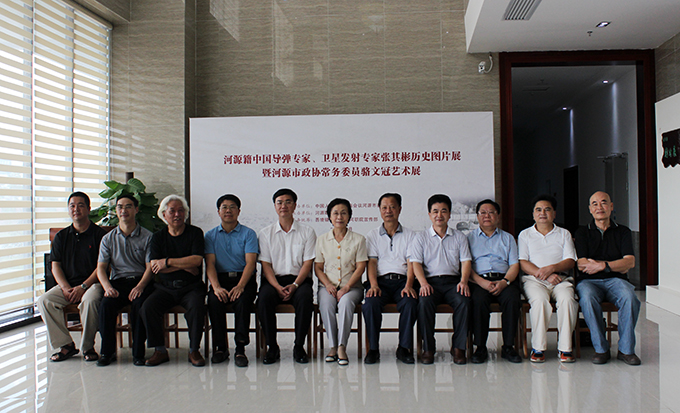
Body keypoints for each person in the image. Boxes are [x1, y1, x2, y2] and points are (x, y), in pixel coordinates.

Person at [37, 192, 106, 362]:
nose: (76, 209)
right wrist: (65, 287)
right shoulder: (61, 236)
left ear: (88, 209)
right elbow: (55, 265)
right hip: (68, 285)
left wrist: (83, 287)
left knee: (89, 301)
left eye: (80, 205)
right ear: (68, 210)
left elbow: (102, 266)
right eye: (72, 206)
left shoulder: (99, 235)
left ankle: (88, 347)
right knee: (45, 301)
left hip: (93, 284)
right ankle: (66, 345)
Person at [575, 191, 641, 365]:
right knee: (587, 298)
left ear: (611, 206)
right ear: (590, 209)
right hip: (588, 281)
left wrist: (602, 266)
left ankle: (626, 350)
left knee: (630, 298)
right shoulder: (582, 232)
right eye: (595, 204)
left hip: (617, 280)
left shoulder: (623, 231)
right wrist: (615, 264)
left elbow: (630, 262)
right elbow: (581, 263)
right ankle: (601, 349)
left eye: (604, 203)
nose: (599, 207)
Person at [140, 195, 207, 367]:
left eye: (181, 210)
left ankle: (194, 350)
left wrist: (167, 262)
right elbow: (155, 266)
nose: (177, 214)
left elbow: (196, 261)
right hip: (165, 288)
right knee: (148, 307)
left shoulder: (195, 233)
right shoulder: (158, 237)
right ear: (164, 214)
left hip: (191, 287)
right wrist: (184, 265)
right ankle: (160, 350)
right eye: (172, 211)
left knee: (197, 307)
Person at [410, 194, 471, 365]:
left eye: (443, 211)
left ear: (450, 214)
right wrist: (423, 283)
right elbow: (416, 264)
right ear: (429, 214)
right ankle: (428, 348)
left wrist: (464, 281)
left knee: (464, 301)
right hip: (430, 283)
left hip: (453, 282)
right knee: (424, 302)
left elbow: (466, 262)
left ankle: (458, 347)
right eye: (435, 211)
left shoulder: (459, 237)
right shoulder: (420, 238)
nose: (439, 215)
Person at [258, 188, 316, 364]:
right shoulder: (265, 233)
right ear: (275, 206)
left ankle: (299, 346)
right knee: (263, 299)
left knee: (305, 299)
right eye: (280, 202)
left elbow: (308, 263)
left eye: (288, 202)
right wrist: (277, 286)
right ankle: (272, 347)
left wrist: (295, 285)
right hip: (273, 281)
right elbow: (266, 265)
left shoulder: (307, 232)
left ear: (295, 206)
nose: (284, 206)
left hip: (299, 281)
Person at [518, 194, 578, 363]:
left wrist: (552, 269)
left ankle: (565, 349)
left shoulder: (564, 234)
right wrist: (544, 274)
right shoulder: (525, 235)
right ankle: (538, 348)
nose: (542, 213)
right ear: (533, 214)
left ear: (554, 213)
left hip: (561, 279)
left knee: (567, 300)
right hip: (534, 280)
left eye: (547, 209)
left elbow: (570, 260)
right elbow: (523, 262)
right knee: (539, 301)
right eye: (538, 210)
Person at [96, 194, 154, 366]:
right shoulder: (108, 239)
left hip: (141, 281)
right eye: (120, 207)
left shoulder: (148, 236)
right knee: (106, 305)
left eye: (128, 206)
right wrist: (107, 287)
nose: (124, 210)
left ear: (136, 210)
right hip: (118, 282)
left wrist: (140, 286)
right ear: (116, 211)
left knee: (139, 304)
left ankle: (138, 353)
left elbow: (150, 267)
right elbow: (101, 268)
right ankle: (107, 352)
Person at [362, 193, 417, 364]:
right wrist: (373, 285)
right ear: (379, 210)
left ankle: (404, 348)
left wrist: (409, 285)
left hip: (403, 281)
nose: (388, 211)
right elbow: (372, 263)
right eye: (384, 207)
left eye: (392, 207)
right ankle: (373, 349)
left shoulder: (410, 235)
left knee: (410, 302)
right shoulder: (372, 235)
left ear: (399, 209)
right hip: (380, 282)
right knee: (370, 304)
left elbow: (412, 263)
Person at [205, 194, 259, 367]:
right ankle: (221, 348)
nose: (228, 210)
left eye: (232, 207)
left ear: (239, 211)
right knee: (214, 302)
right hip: (220, 280)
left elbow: (250, 263)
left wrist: (241, 286)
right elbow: (210, 264)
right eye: (224, 207)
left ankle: (240, 349)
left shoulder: (249, 234)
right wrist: (216, 287)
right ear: (218, 212)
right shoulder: (210, 236)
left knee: (242, 302)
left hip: (244, 279)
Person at [467, 199, 522, 363]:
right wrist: (481, 282)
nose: (487, 216)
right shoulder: (468, 238)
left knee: (512, 299)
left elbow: (514, 265)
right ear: (477, 216)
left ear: (498, 216)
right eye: (483, 213)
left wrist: (504, 282)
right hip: (479, 281)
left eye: (491, 212)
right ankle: (480, 347)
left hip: (504, 279)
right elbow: (465, 266)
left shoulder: (508, 238)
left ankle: (508, 347)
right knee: (478, 301)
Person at [315, 198, 368, 365]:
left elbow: (361, 267)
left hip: (352, 287)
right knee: (326, 304)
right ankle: (332, 346)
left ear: (349, 216)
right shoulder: (321, 240)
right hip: (327, 286)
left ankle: (341, 346)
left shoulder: (359, 239)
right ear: (329, 217)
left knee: (345, 303)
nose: (339, 217)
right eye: (335, 213)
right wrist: (328, 285)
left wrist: (347, 287)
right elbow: (318, 268)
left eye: (343, 213)